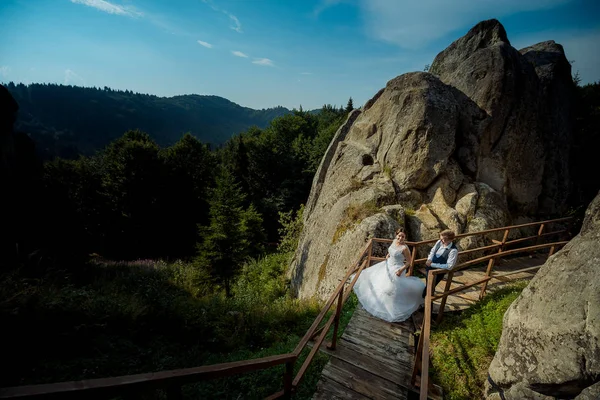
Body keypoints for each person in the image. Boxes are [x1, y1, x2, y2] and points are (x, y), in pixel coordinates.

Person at [353, 229, 425, 322]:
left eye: (402, 236)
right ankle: (380, 303)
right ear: (396, 236)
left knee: (391, 288)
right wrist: (388, 255)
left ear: (405, 238)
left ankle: (392, 306)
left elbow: (408, 262)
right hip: (388, 264)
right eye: (399, 236)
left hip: (397, 268)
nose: (400, 238)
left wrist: (401, 270)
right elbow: (391, 249)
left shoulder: (404, 248)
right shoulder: (394, 241)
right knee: (380, 282)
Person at [422, 229, 459, 298]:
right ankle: (426, 302)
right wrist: (429, 259)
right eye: (441, 239)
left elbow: (449, 266)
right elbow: (433, 251)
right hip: (429, 268)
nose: (441, 241)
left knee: (429, 288)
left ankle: (426, 302)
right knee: (429, 286)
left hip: (438, 272)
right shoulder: (439, 242)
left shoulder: (453, 250)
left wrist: (432, 264)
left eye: (444, 240)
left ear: (451, 240)